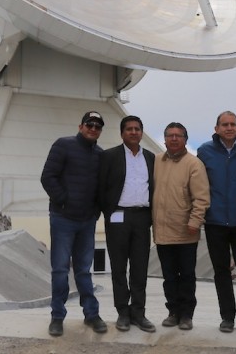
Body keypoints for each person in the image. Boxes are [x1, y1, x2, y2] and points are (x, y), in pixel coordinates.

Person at [41, 111, 108, 337]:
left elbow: (101, 188)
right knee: (60, 270)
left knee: (83, 271)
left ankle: (91, 314)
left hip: (86, 221)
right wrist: (63, 200)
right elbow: (48, 176)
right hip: (63, 219)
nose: (93, 129)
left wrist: (95, 211)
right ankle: (57, 317)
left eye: (98, 126)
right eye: (89, 124)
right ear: (81, 126)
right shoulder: (63, 145)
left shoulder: (100, 155)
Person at [196, 111, 236, 335]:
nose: (229, 128)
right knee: (221, 271)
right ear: (216, 129)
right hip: (215, 221)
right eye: (224, 124)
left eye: (233, 124)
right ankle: (227, 317)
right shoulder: (204, 152)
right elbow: (199, 183)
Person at [98, 115, 156, 333]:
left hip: (142, 218)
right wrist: (109, 212)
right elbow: (101, 187)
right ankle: (123, 312)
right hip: (118, 218)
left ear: (141, 132)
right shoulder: (109, 156)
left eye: (137, 129)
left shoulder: (150, 158)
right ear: (122, 133)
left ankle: (139, 313)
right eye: (129, 129)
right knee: (119, 267)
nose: (133, 132)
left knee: (140, 269)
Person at [152, 122, 210, 331]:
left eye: (178, 135)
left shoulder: (194, 164)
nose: (174, 139)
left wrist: (195, 222)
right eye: (170, 135)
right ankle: (173, 311)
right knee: (168, 276)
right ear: (165, 139)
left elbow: (201, 198)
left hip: (186, 231)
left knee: (186, 275)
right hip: (163, 232)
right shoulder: (157, 161)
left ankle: (186, 314)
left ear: (186, 139)